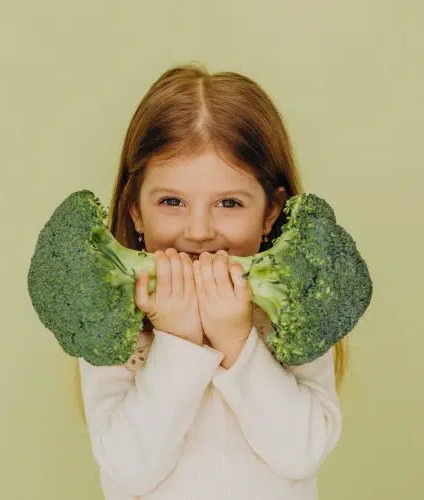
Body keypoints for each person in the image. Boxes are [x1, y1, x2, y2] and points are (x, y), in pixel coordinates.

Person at [78, 62, 346, 500]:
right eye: (171, 201)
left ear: (271, 212)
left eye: (228, 202)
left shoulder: (298, 305)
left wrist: (236, 341)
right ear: (135, 211)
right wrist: (178, 342)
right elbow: (128, 470)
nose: (199, 230)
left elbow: (302, 452)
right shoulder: (111, 323)